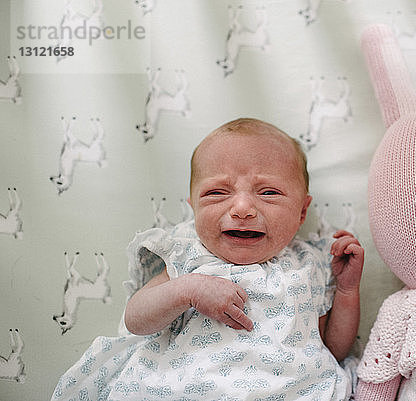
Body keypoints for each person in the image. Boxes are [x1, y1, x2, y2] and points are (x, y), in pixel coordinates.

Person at [52, 118, 364, 401]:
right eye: (217, 193)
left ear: (302, 212)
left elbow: (331, 349)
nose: (242, 208)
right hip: (185, 387)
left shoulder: (309, 265)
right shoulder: (188, 256)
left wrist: (348, 290)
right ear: (194, 208)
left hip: (290, 390)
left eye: (268, 192)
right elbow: (136, 320)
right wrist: (188, 290)